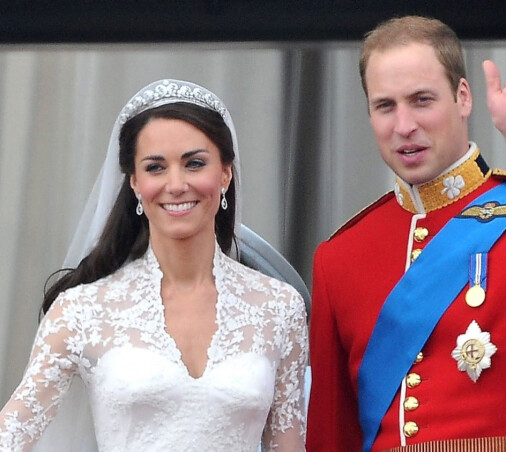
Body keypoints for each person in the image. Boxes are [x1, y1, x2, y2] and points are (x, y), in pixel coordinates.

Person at [306, 16, 506, 452]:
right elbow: (330, 436)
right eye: (385, 106)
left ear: (463, 97)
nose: (404, 125)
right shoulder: (339, 256)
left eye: (421, 100)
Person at [0, 79, 308, 452]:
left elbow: (288, 445)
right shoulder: (81, 309)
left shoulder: (280, 307)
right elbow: (11, 436)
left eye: (194, 163)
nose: (176, 184)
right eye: (156, 167)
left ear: (225, 173)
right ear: (134, 182)